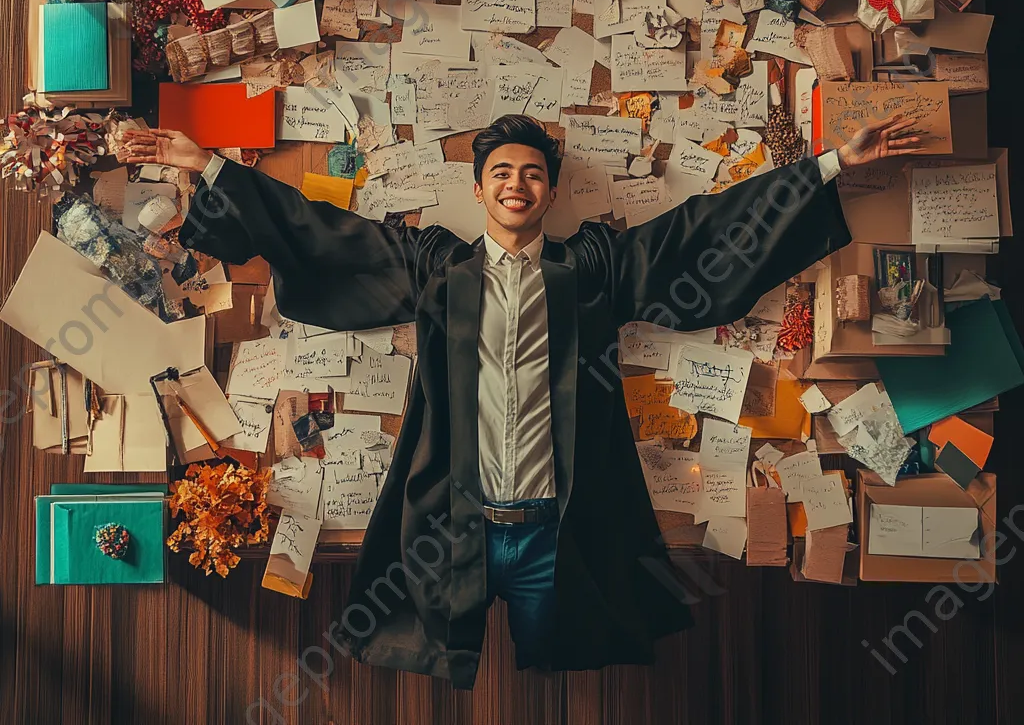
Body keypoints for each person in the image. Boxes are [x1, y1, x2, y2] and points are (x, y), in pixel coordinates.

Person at [124, 112, 920, 688]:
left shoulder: (596, 267)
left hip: (561, 530)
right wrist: (214, 166)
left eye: (532, 173)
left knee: (559, 678)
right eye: (501, 171)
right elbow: (322, 232)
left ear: (550, 192)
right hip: (452, 526)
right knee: (449, 670)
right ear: (478, 190)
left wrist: (827, 168)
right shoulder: (436, 268)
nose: (517, 183)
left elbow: (700, 232)